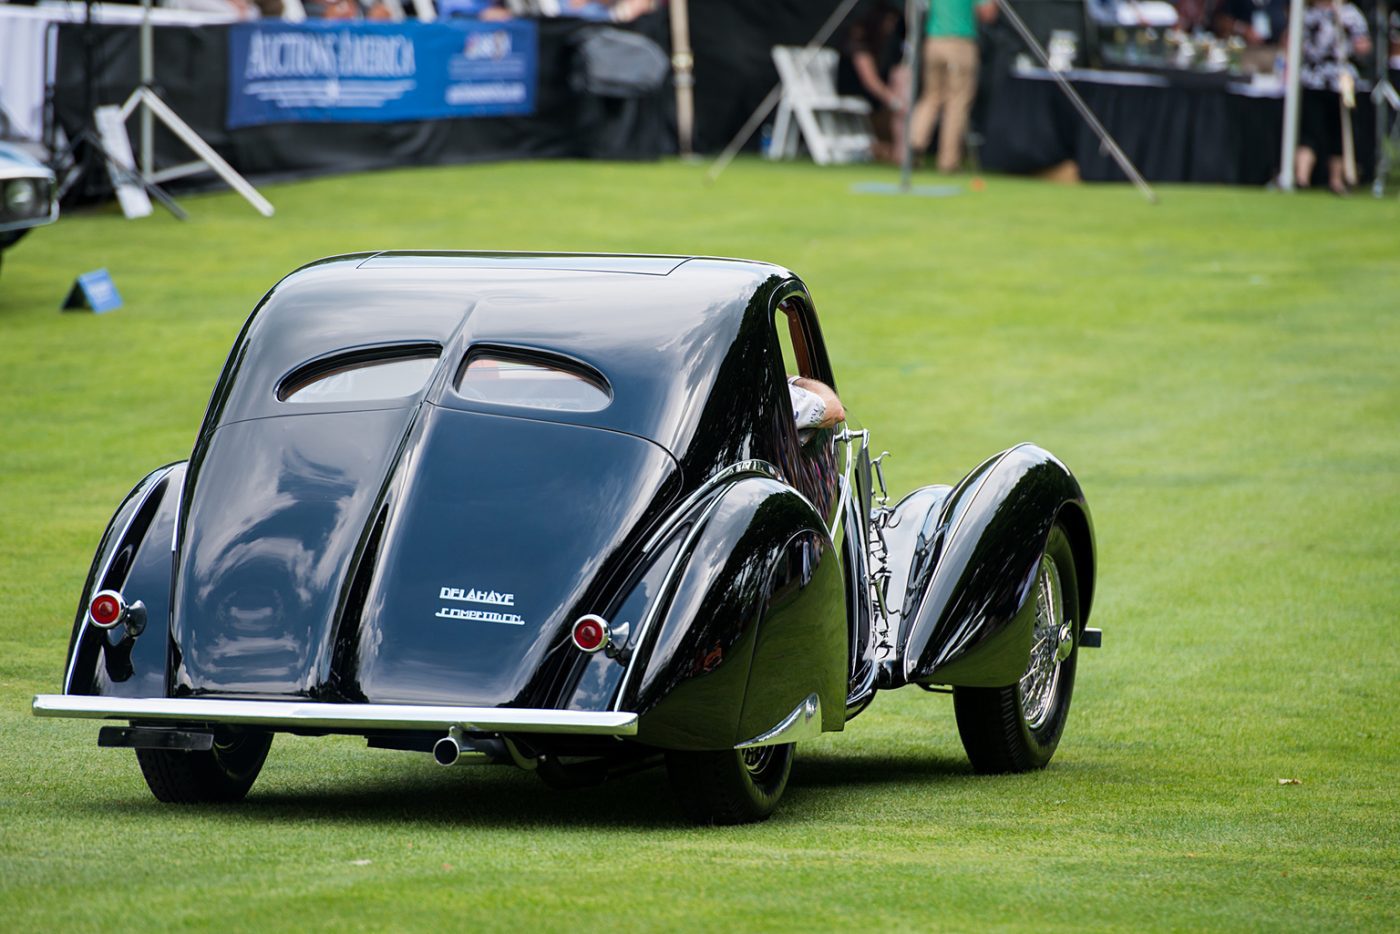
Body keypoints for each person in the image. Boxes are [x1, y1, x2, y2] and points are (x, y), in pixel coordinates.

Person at [909, 0, 997, 173]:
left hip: (933, 41)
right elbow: (988, 14)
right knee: (958, 101)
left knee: (931, 96)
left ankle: (914, 143)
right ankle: (948, 161)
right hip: (960, 42)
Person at [1295, 0, 1371, 193]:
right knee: (1310, 127)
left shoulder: (1350, 14)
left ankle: (1337, 180)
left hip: (1343, 81)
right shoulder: (1308, 14)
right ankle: (1301, 178)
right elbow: (1298, 43)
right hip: (1314, 79)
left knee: (1341, 128)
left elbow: (1363, 46)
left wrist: (1360, 46)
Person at [837, 0, 910, 163]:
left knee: (901, 79)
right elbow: (869, 80)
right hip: (855, 91)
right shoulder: (859, 40)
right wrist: (893, 101)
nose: (891, 26)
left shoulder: (886, 45)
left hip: (872, 98)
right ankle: (897, 150)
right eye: (888, 21)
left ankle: (899, 150)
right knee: (899, 99)